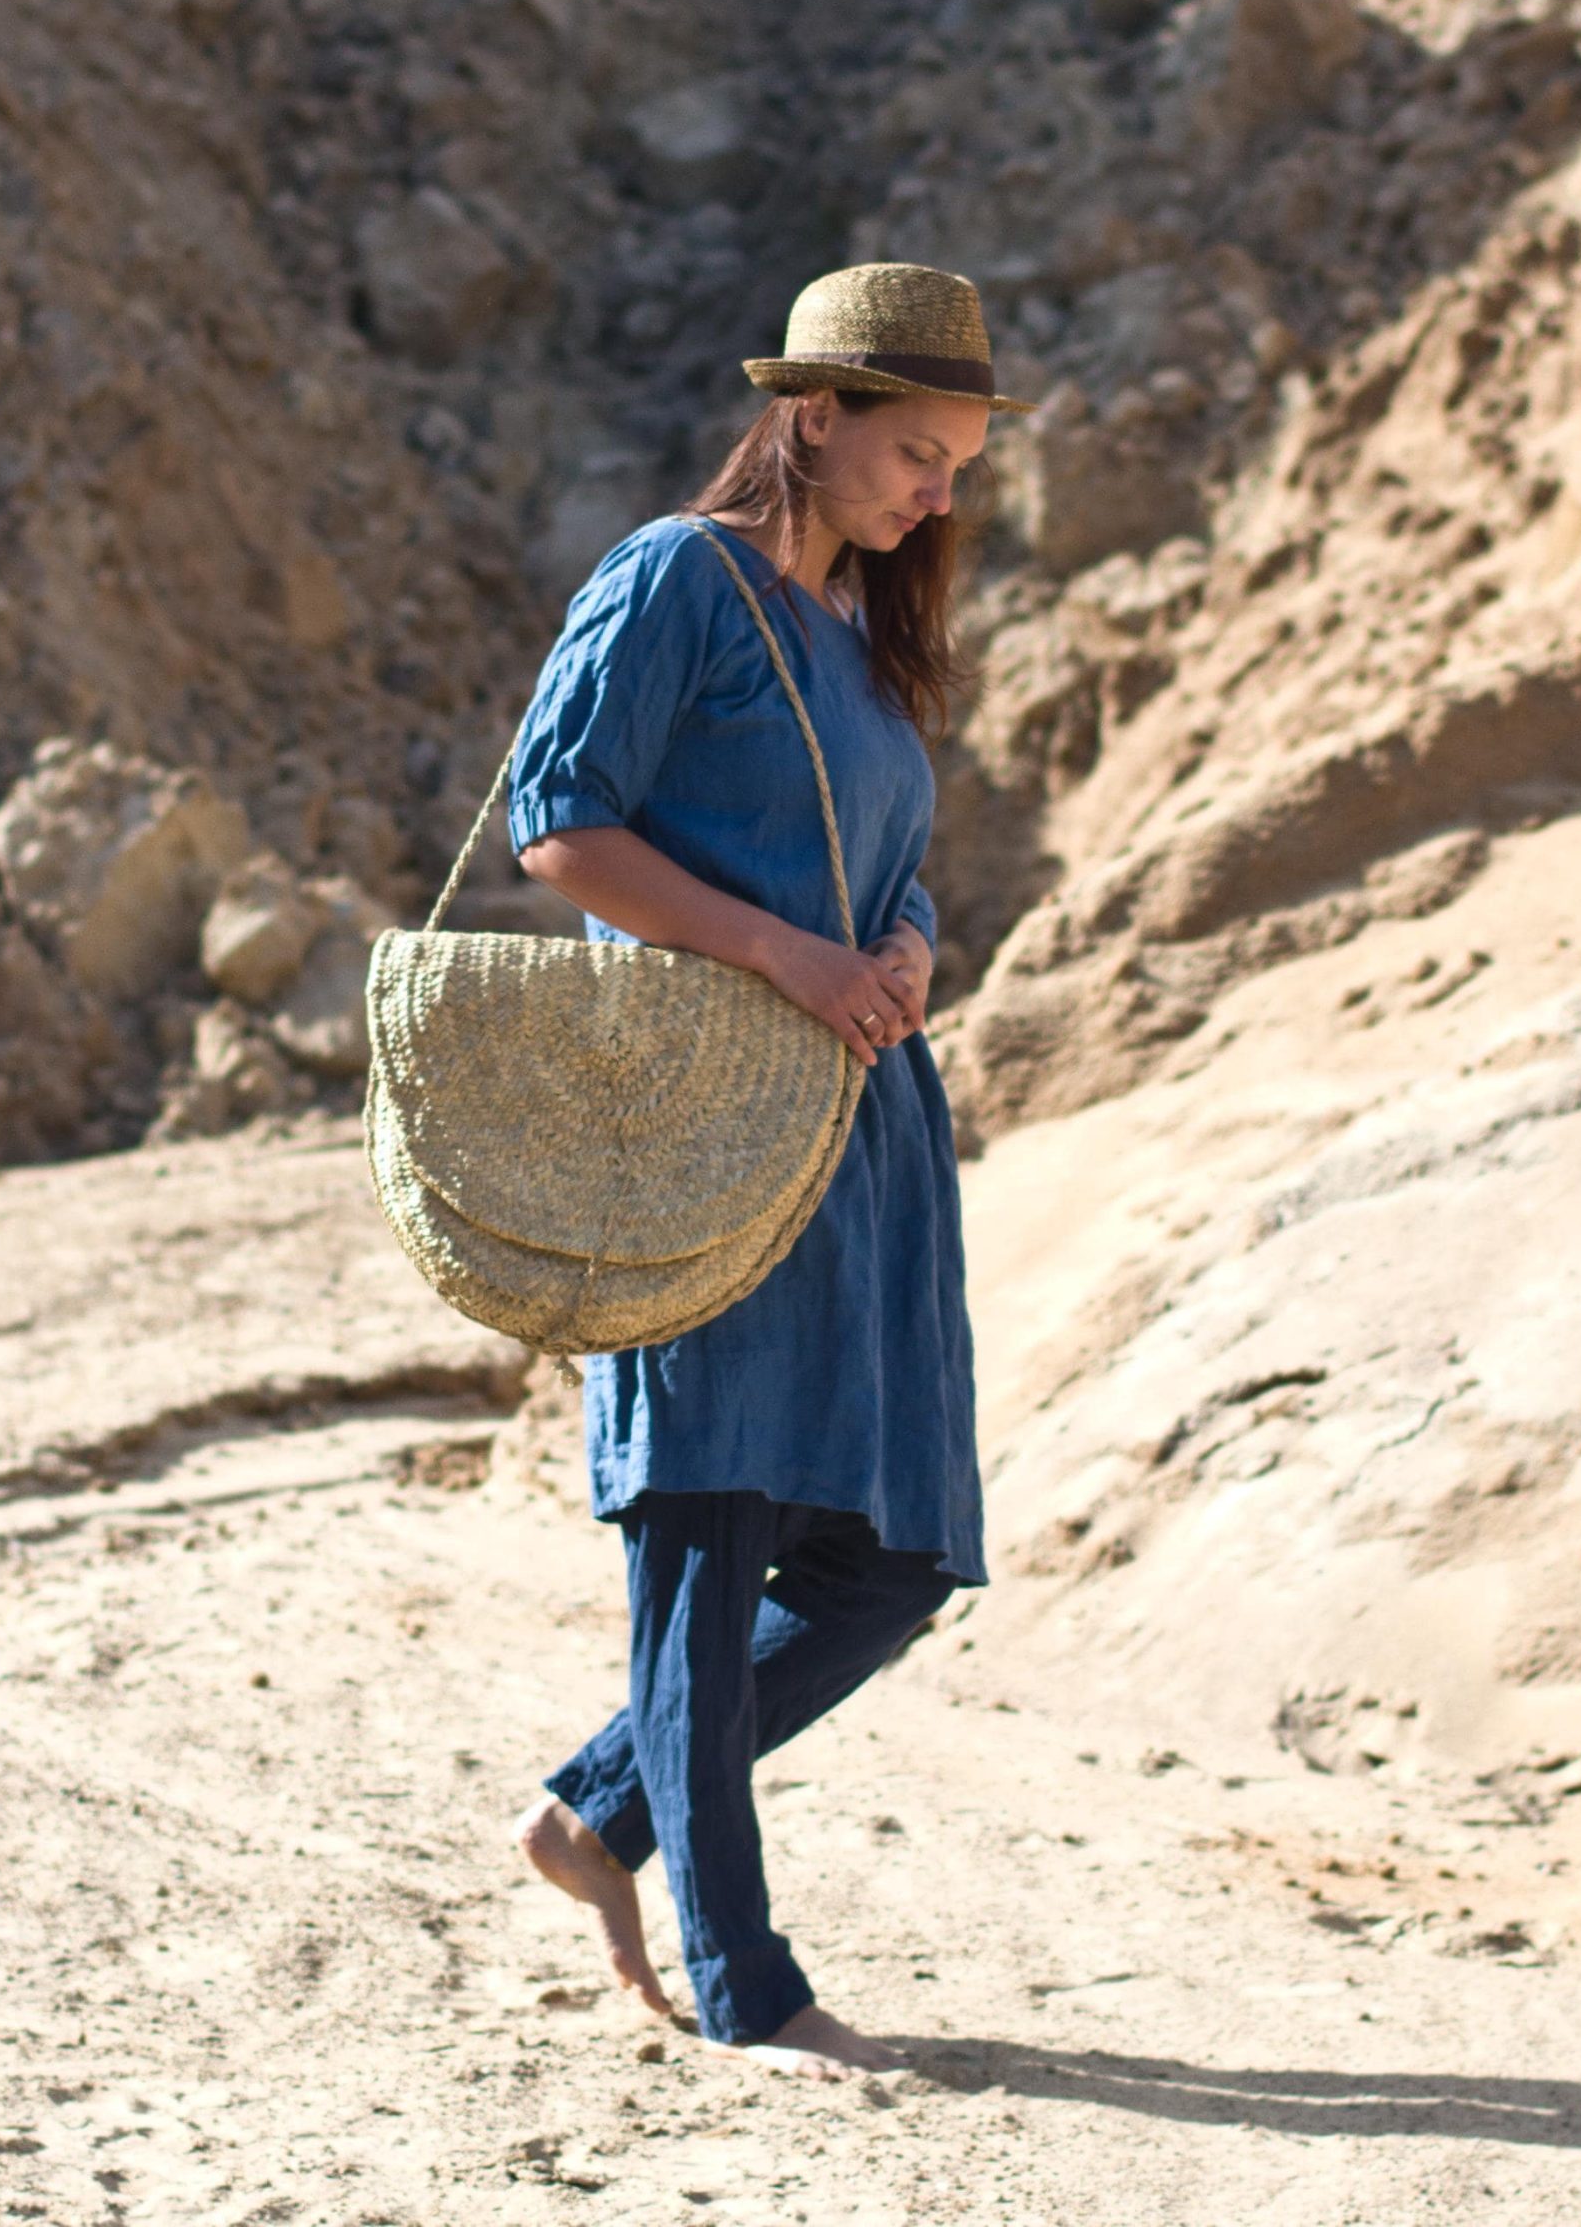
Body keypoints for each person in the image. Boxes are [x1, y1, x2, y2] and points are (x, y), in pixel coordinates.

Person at [507, 263, 1032, 2078]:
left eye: (958, 466)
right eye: (914, 453)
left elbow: (887, 863)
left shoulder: (863, 640)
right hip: (703, 1119)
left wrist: (904, 946)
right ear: (812, 413)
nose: (937, 496)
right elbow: (559, 823)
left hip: (862, 1135)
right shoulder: (678, 577)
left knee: (890, 1562)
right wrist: (789, 959)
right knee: (708, 1529)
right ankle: (751, 1991)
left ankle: (598, 1810)